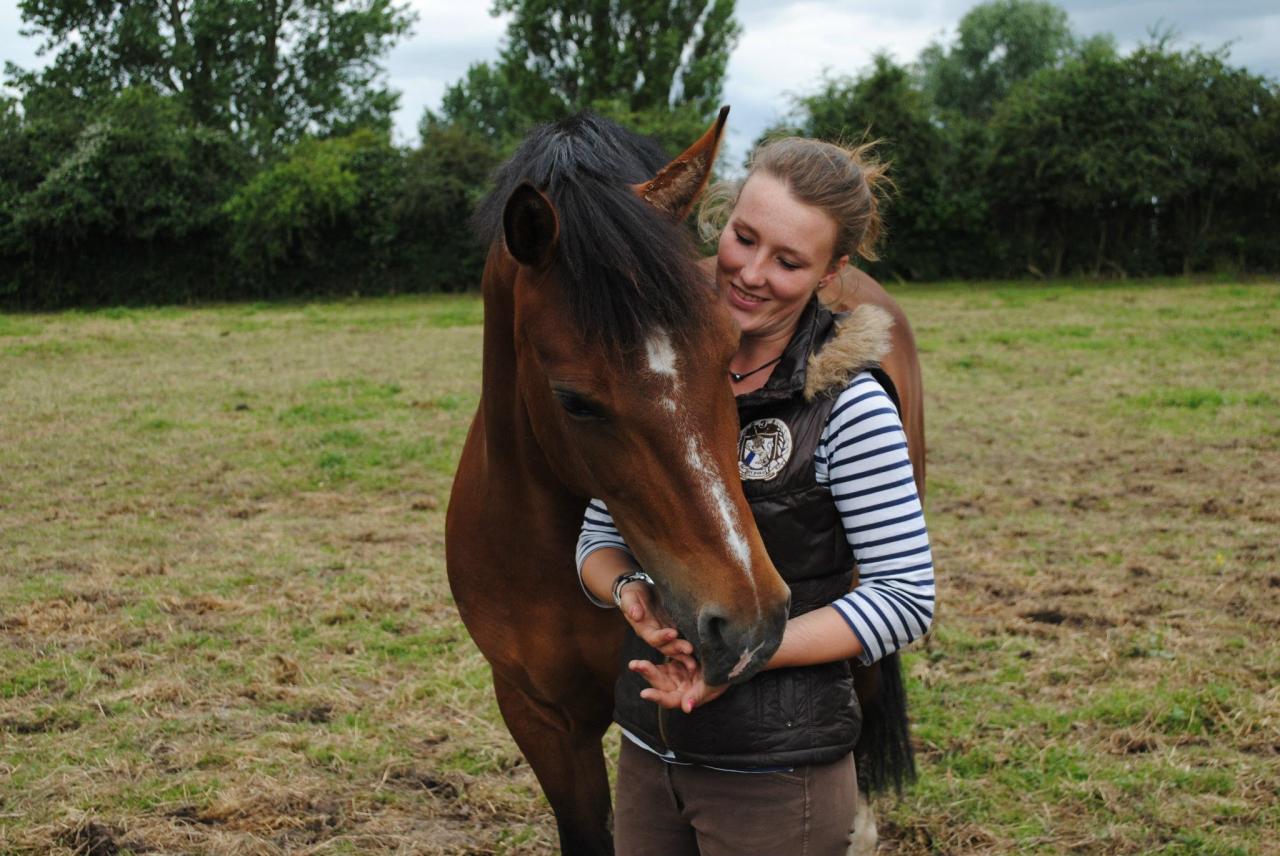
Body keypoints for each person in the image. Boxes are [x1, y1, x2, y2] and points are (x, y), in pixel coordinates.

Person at [576, 137, 936, 855]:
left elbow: (905, 598)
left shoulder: (850, 406)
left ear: (831, 272)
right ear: (722, 220)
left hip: (779, 773)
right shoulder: (664, 379)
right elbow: (595, 536)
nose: (751, 274)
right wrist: (630, 594)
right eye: (745, 238)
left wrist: (745, 654)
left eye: (789, 261)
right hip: (652, 755)